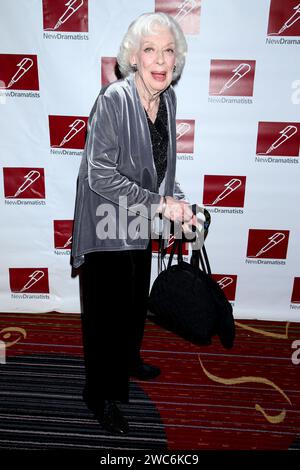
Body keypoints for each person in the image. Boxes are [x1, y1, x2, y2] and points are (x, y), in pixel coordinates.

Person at [71, 12, 195, 435]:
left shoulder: (168, 99)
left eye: (168, 51)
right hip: (105, 221)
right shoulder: (113, 100)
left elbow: (160, 166)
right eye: (150, 50)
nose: (160, 60)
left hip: (140, 219)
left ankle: (127, 360)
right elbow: (99, 175)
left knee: (132, 302)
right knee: (105, 315)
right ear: (134, 57)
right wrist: (159, 204)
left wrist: (174, 199)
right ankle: (98, 395)